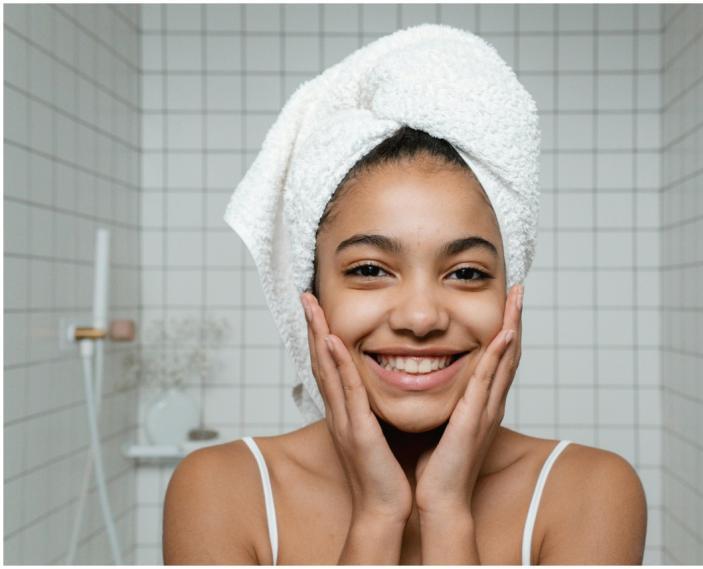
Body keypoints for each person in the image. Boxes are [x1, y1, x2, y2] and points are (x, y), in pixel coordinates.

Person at [162, 127, 647, 565]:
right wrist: (377, 515)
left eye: (466, 273)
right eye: (370, 270)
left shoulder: (591, 491)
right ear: (312, 299)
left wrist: (447, 513)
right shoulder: (220, 490)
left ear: (508, 299)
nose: (420, 318)